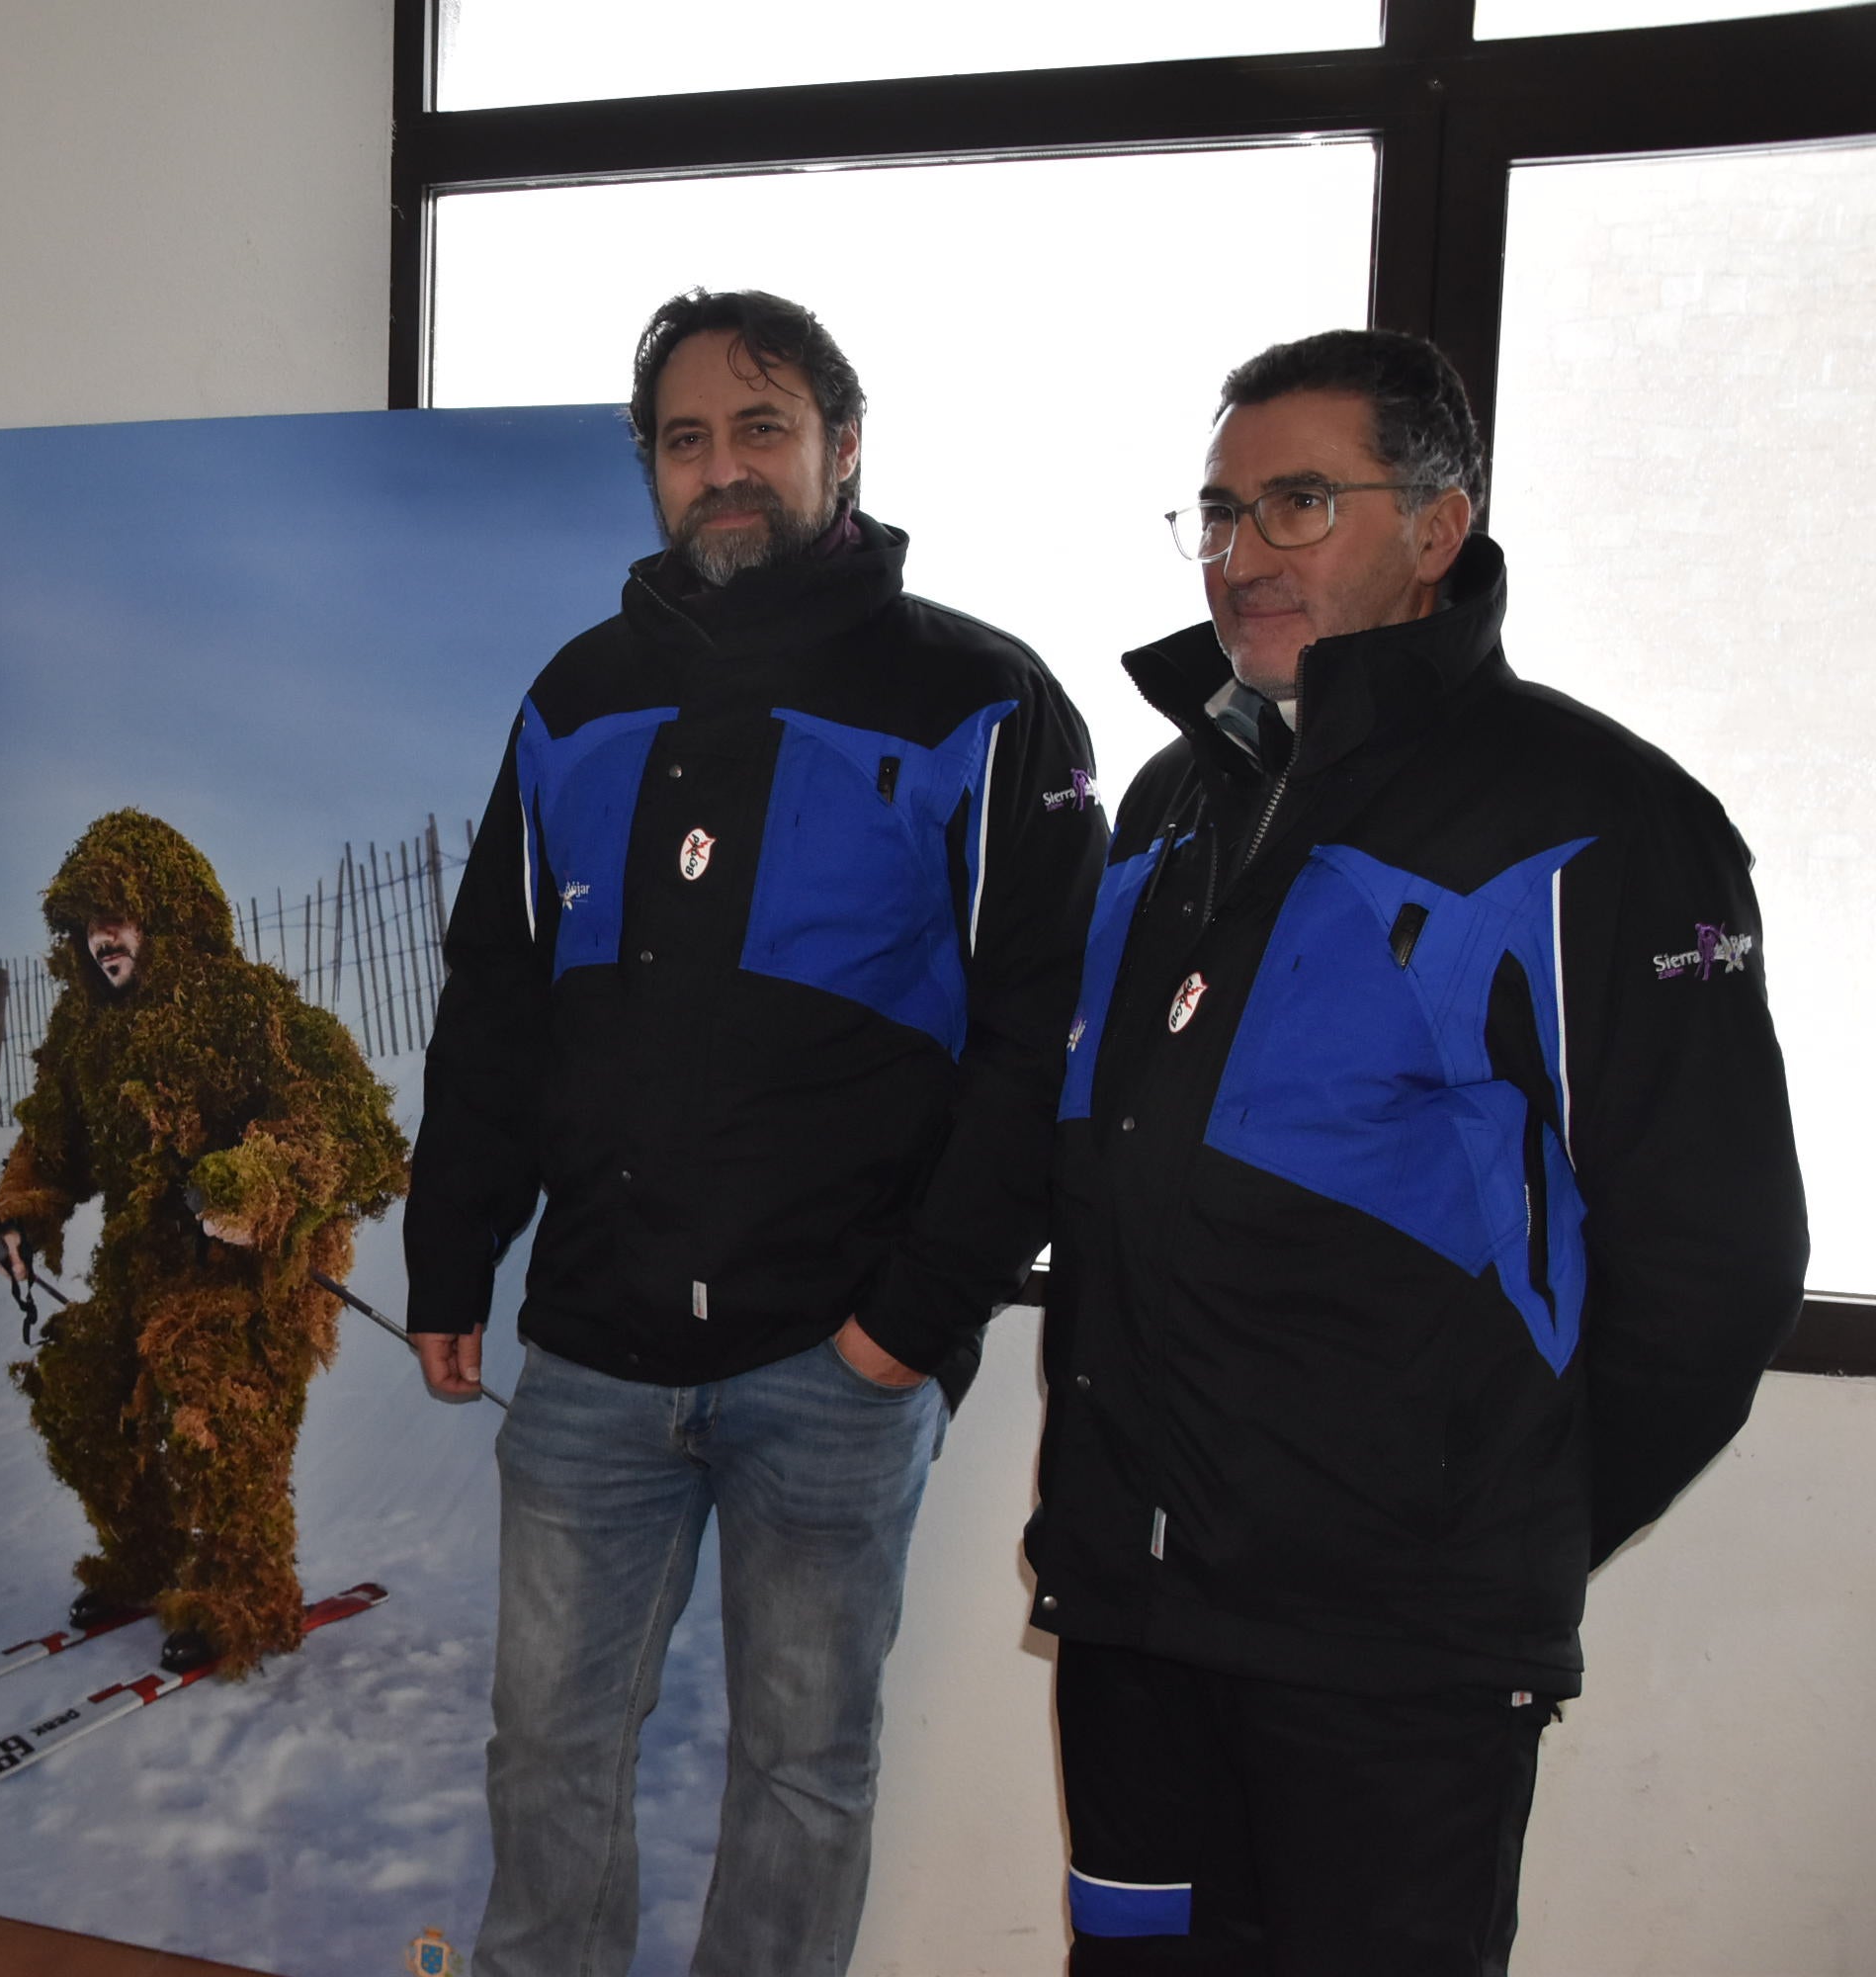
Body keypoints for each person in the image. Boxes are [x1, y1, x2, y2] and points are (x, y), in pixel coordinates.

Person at [1029, 329, 1808, 1973]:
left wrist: (1485, 1526)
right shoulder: (1168, 802)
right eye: (1219, 511)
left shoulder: (1596, 818)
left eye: (1300, 503)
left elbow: (1717, 1262)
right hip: (1134, 1616)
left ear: (1439, 528)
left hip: (1391, 1656)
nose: (1243, 553)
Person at [404, 290, 1106, 1976]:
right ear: (652, 468)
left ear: (842, 449)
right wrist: (450, 1254)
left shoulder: (981, 699)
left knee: (801, 1773)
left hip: (833, 1359)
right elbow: (496, 997)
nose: (721, 468)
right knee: (547, 1754)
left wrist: (907, 1324)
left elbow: (1039, 1047)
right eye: (685, 439)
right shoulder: (574, 700)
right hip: (592, 1351)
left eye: (761, 428)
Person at [0, 809, 407, 1675]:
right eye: (87, 921)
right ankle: (145, 1558)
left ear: (168, 914)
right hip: (141, 1269)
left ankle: (245, 1592)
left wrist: (254, 1185)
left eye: (118, 915)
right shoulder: (83, 1032)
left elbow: (348, 1125)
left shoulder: (247, 1008)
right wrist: (19, 1215)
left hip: (250, 1277)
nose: (102, 938)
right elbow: (53, 1145)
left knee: (210, 1383)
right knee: (80, 1381)